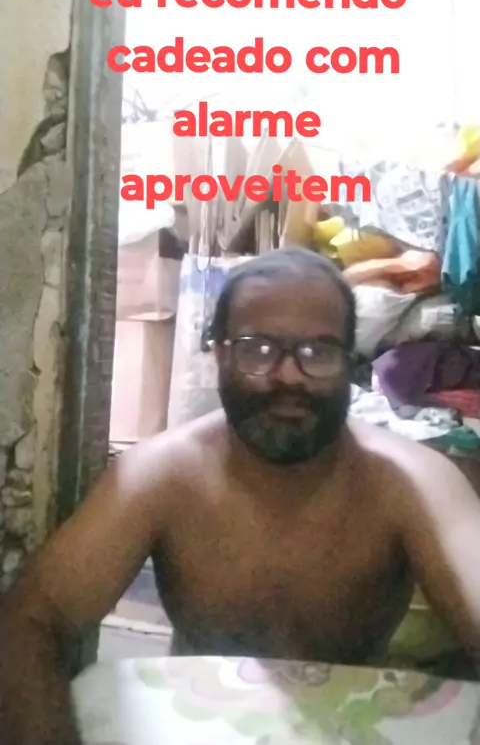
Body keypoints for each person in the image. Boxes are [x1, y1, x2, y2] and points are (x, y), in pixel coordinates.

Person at [1, 247, 480, 745]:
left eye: (318, 352)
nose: (288, 375)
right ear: (220, 355)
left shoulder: (411, 481)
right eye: (257, 349)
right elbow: (31, 618)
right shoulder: (159, 476)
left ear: (348, 360)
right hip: (199, 726)